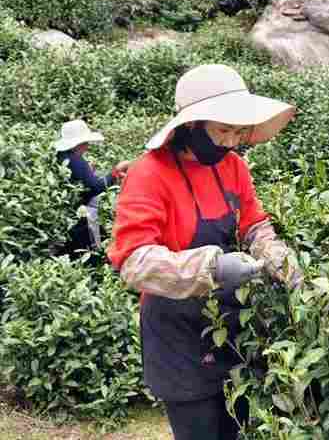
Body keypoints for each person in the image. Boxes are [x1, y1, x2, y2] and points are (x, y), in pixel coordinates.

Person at [107, 64, 302, 440]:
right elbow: (133, 262)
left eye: (237, 132)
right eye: (221, 131)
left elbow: (253, 225)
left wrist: (281, 261)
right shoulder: (150, 173)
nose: (231, 142)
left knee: (238, 426)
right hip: (176, 330)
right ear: (192, 126)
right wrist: (212, 267)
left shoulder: (234, 168)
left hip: (230, 324)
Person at [54, 119, 130, 257]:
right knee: (96, 248)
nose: (88, 145)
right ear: (78, 143)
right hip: (82, 214)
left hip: (68, 213)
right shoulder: (76, 160)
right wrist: (115, 172)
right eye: (85, 142)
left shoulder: (62, 156)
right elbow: (94, 187)